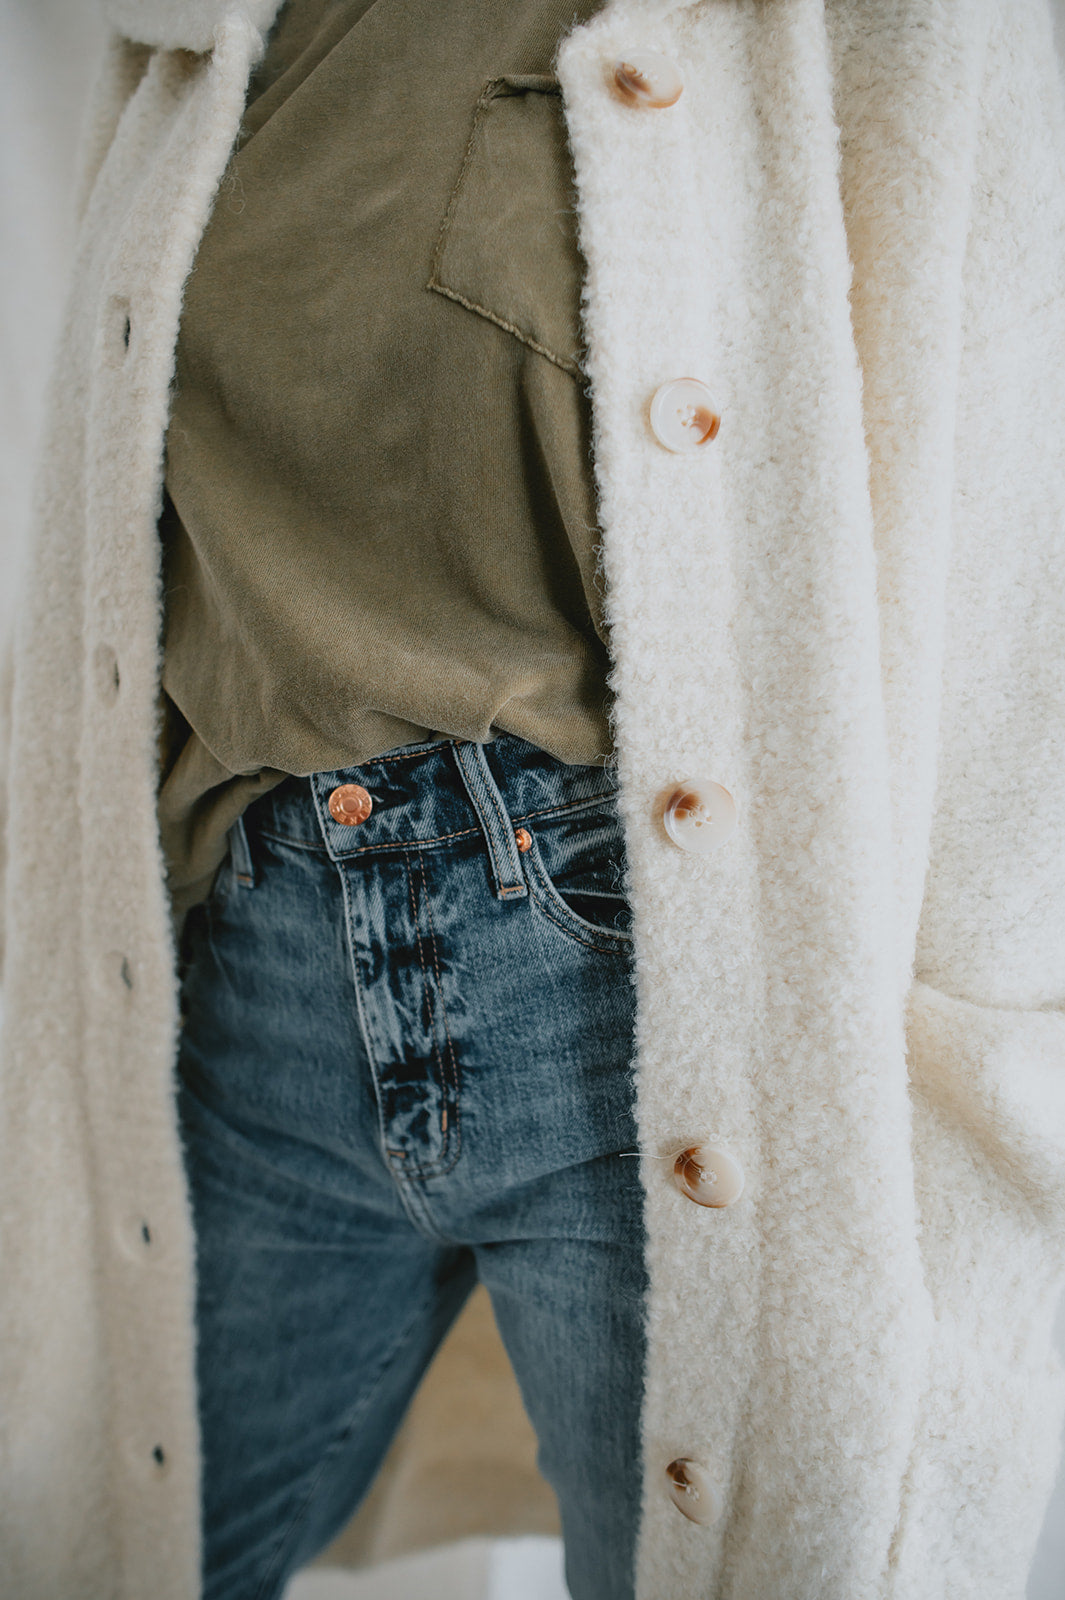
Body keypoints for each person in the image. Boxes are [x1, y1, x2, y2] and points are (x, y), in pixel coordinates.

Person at [3, 1, 1065, 1597]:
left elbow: (1012, 543)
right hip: (248, 960)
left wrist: (1000, 1076)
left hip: (650, 998)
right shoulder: (195, 28)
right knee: (97, 1544)